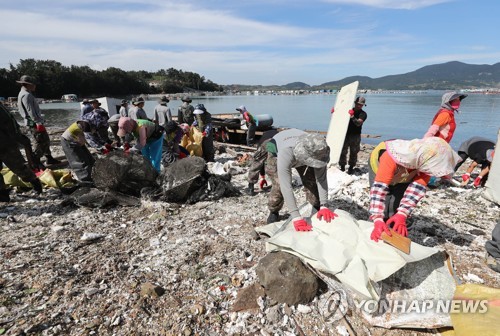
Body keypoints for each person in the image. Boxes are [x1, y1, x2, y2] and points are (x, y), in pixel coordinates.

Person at [368, 137, 460, 242]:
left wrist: (402, 214)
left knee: (396, 201)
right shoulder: (390, 158)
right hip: (380, 170)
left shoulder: (426, 163)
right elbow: (378, 191)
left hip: (404, 176)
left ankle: (393, 231)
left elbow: (415, 190)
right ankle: (376, 229)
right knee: (384, 202)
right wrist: (378, 219)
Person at [263, 129, 337, 230]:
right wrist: (296, 217)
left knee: (311, 182)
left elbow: (321, 178)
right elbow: (286, 186)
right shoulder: (286, 152)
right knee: (279, 186)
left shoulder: (320, 151)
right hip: (279, 153)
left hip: (305, 153)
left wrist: (324, 205)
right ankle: (274, 210)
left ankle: (316, 206)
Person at [0, 103, 43, 201]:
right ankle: (2, 194)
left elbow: (10, 122)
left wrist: (19, 137)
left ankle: (35, 183)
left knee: (18, 167)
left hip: (5, 143)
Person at [17, 75, 61, 166]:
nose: (35, 86)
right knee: (39, 142)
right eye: (33, 84)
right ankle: (36, 160)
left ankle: (49, 158)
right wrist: (38, 122)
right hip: (34, 123)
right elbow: (30, 111)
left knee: (45, 140)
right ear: (28, 84)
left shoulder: (23, 93)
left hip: (34, 122)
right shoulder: (26, 95)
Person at [244, 130, 278, 196]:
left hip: (269, 142)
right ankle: (278, 186)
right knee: (275, 164)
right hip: (280, 143)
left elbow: (260, 163)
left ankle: (251, 188)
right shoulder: (276, 133)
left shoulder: (262, 141)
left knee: (256, 162)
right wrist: (263, 178)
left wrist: (263, 177)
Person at [61, 120, 95, 185]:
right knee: (79, 161)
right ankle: (86, 180)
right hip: (68, 141)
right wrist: (100, 148)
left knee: (89, 158)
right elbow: (89, 141)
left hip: (76, 139)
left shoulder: (88, 124)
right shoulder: (85, 127)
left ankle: (93, 175)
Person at [339, 96, 367, 174]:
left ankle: (351, 168)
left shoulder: (363, 114)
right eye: (357, 104)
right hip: (345, 134)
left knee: (354, 152)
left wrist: (352, 116)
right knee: (343, 151)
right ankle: (342, 167)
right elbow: (339, 117)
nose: (359, 106)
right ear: (355, 103)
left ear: (363, 105)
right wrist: (335, 112)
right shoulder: (348, 110)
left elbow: (358, 123)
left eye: (361, 105)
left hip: (355, 136)